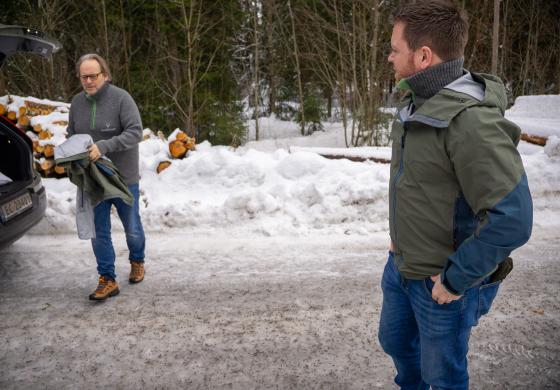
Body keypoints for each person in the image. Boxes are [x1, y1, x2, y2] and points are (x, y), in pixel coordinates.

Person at [378, 1, 533, 389]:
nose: (389, 57)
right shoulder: (418, 103)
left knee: (443, 377)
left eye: (395, 49)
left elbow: (512, 219)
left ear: (424, 56)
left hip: (441, 286)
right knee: (394, 342)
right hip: (401, 267)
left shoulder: (471, 122)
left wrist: (454, 280)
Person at [67, 53, 146, 301]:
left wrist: (104, 146)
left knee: (132, 228)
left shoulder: (122, 99)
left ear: (105, 75)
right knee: (98, 231)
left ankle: (137, 260)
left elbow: (135, 132)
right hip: (92, 180)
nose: (89, 81)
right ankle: (107, 279)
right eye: (84, 77)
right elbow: (72, 134)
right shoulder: (77, 103)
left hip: (123, 178)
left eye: (93, 76)